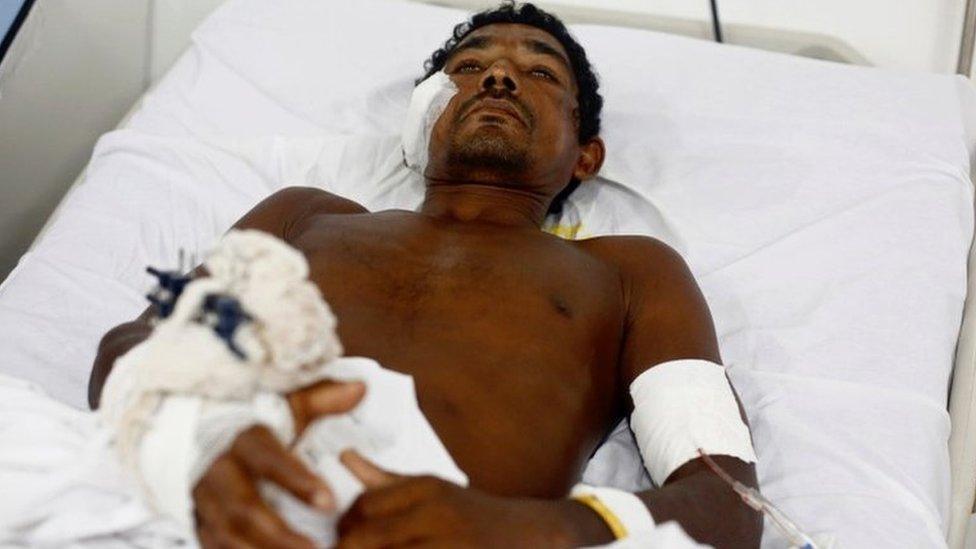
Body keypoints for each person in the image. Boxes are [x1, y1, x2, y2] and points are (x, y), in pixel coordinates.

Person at [89, 2, 761, 547]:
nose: (498, 77)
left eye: (541, 74)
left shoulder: (630, 272)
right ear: (422, 118)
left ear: (587, 158)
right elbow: (133, 348)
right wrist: (196, 442)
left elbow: (725, 501)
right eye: (469, 67)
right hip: (205, 513)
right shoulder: (305, 218)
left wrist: (541, 529)